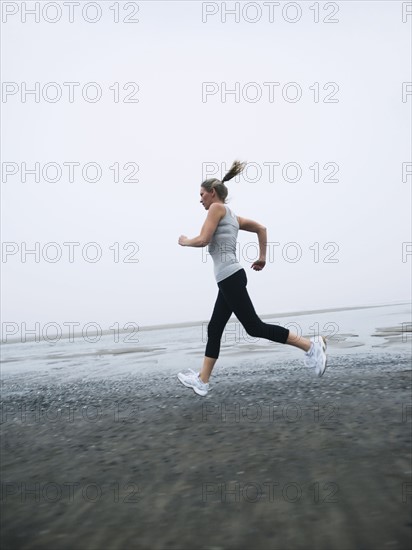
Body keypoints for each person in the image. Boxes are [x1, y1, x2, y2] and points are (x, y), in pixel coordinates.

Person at [177, 160, 327, 397]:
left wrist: (185, 241)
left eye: (202, 194)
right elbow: (262, 228)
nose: (200, 200)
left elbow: (204, 239)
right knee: (215, 327)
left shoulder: (217, 209)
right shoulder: (233, 216)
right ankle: (203, 381)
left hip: (230, 277)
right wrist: (263, 257)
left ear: (212, 193)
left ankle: (310, 346)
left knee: (254, 327)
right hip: (229, 278)